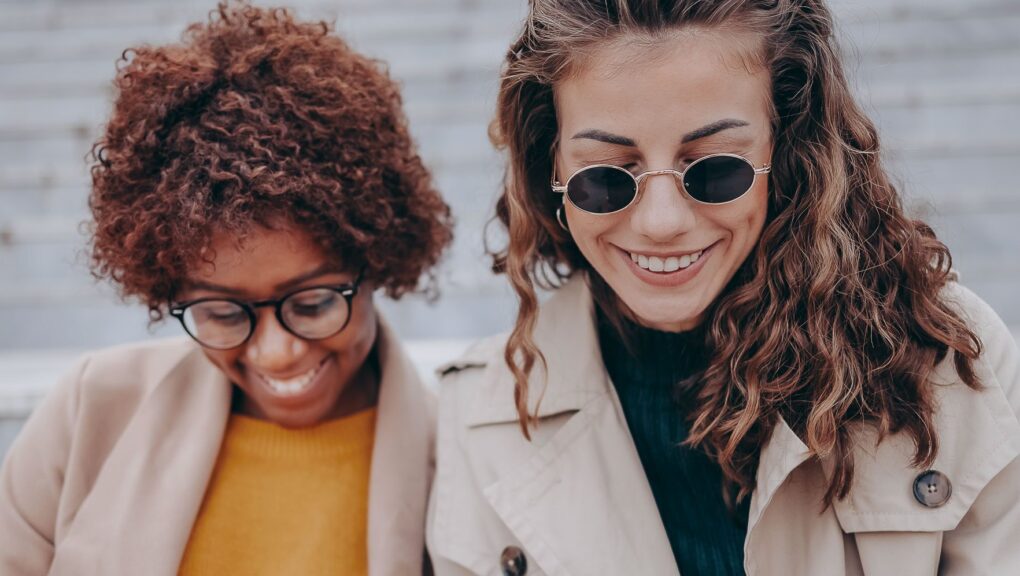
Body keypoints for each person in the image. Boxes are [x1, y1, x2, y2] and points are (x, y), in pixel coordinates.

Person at [426, 1, 1020, 574]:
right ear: (549, 167)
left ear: (788, 152)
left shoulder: (954, 362)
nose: (662, 222)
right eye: (605, 177)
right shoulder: (477, 422)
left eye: (714, 169)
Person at [0, 2, 452, 575]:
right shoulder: (92, 412)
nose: (276, 352)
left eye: (312, 304)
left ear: (376, 256)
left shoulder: (460, 457)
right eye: (222, 313)